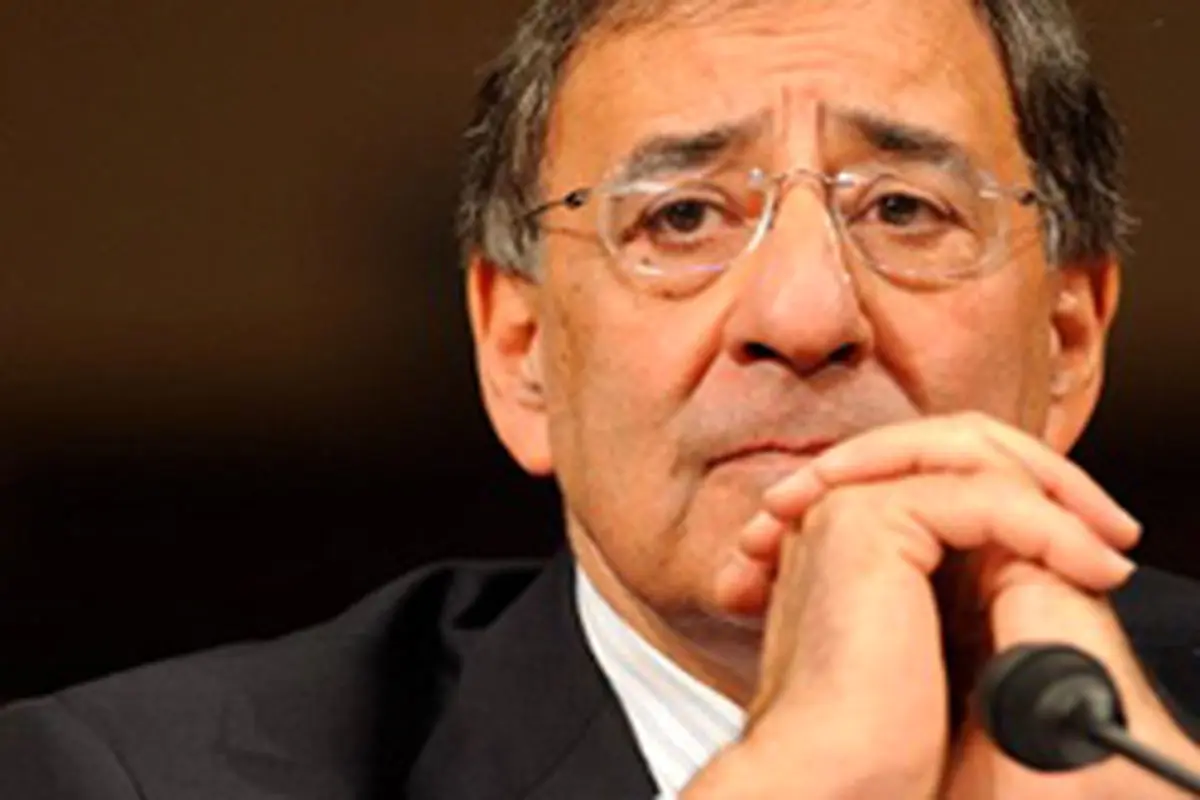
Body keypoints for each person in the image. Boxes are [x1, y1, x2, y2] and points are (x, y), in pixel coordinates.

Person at [3, 0, 1200, 796]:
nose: (803, 316)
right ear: (521, 351)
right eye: (680, 217)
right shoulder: (131, 778)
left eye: (903, 209)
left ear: (1069, 341)